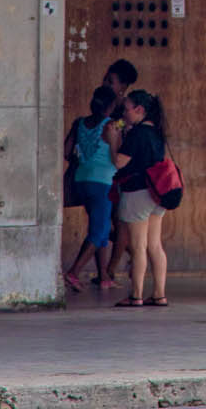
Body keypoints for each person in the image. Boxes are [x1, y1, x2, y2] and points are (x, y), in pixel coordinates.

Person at [110, 88, 170, 306]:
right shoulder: (156, 132)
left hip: (137, 193)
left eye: (126, 109)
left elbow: (118, 162)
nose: (123, 114)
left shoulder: (137, 134)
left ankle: (136, 295)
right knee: (155, 245)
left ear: (139, 109)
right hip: (156, 194)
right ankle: (159, 294)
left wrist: (113, 140)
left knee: (138, 246)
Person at [64, 85, 119, 293]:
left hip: (82, 180)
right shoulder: (111, 126)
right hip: (103, 181)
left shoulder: (79, 123)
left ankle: (104, 276)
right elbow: (116, 156)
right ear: (111, 105)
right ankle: (73, 272)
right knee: (100, 230)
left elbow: (67, 151)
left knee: (99, 226)